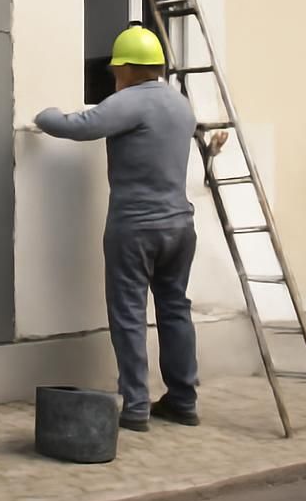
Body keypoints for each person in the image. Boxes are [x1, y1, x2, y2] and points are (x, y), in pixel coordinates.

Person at [35, 23, 201, 431]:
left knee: (128, 314)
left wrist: (43, 116)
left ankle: (137, 406)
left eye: (115, 70)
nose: (113, 77)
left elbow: (77, 125)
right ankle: (183, 400)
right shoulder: (181, 105)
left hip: (136, 229)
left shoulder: (129, 102)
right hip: (180, 226)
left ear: (127, 68)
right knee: (175, 310)